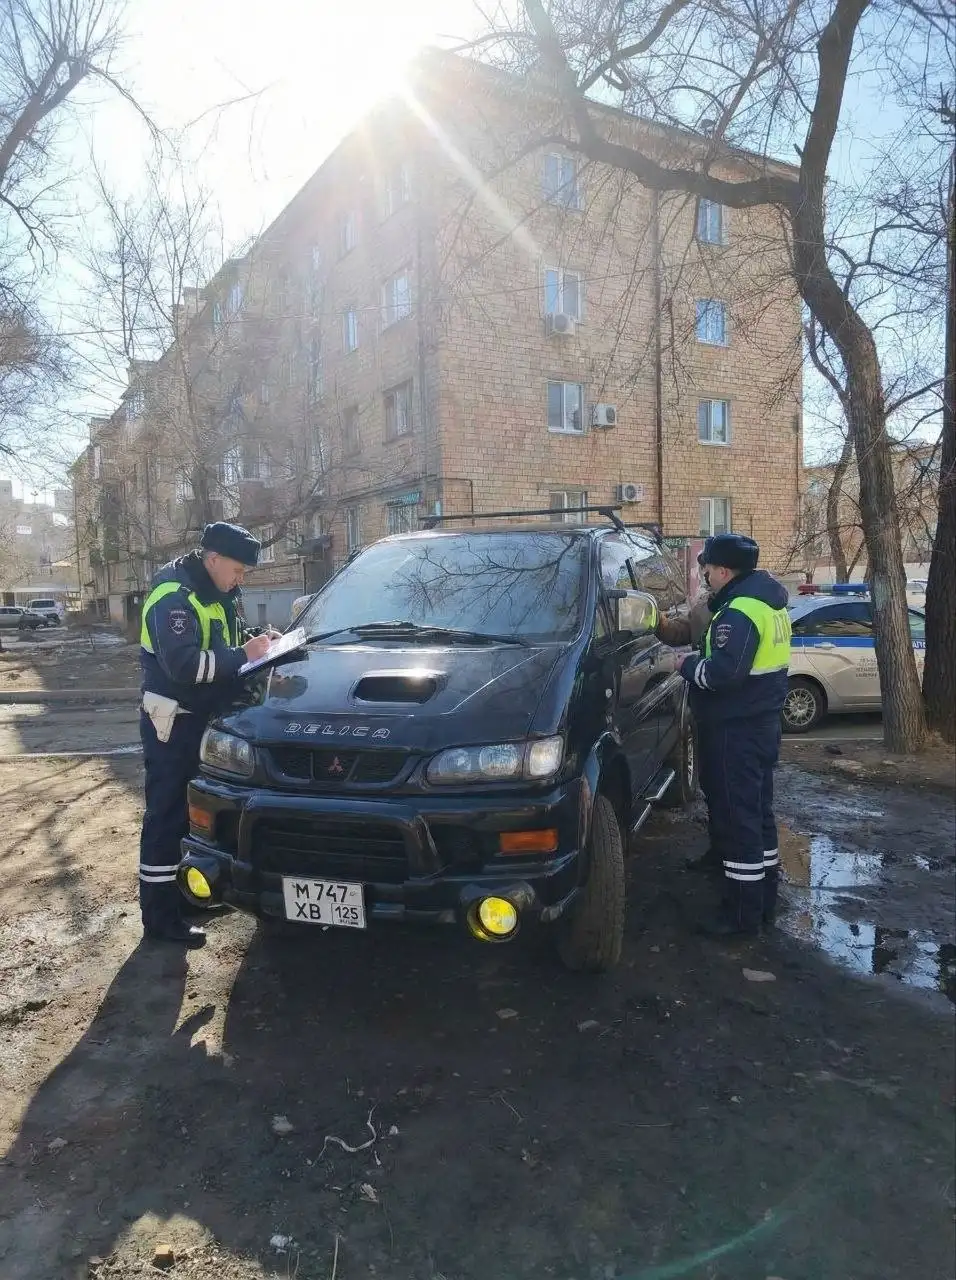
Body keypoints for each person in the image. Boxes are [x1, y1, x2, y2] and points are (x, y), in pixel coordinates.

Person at [138, 522, 272, 947]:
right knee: (167, 817)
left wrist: (262, 644)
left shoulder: (219, 593)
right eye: (237, 569)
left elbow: (228, 642)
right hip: (173, 721)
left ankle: (186, 897)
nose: (241, 579)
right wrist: (242, 656)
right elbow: (184, 667)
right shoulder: (172, 597)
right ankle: (160, 919)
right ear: (212, 559)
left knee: (197, 816)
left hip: (204, 719)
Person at [657, 533, 791, 938]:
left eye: (708, 570)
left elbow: (723, 674)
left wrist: (685, 664)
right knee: (757, 815)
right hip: (758, 725)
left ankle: (741, 915)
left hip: (737, 729)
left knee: (738, 822)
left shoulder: (741, 610)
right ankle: (764, 898)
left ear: (724, 570)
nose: (706, 577)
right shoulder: (766, 603)